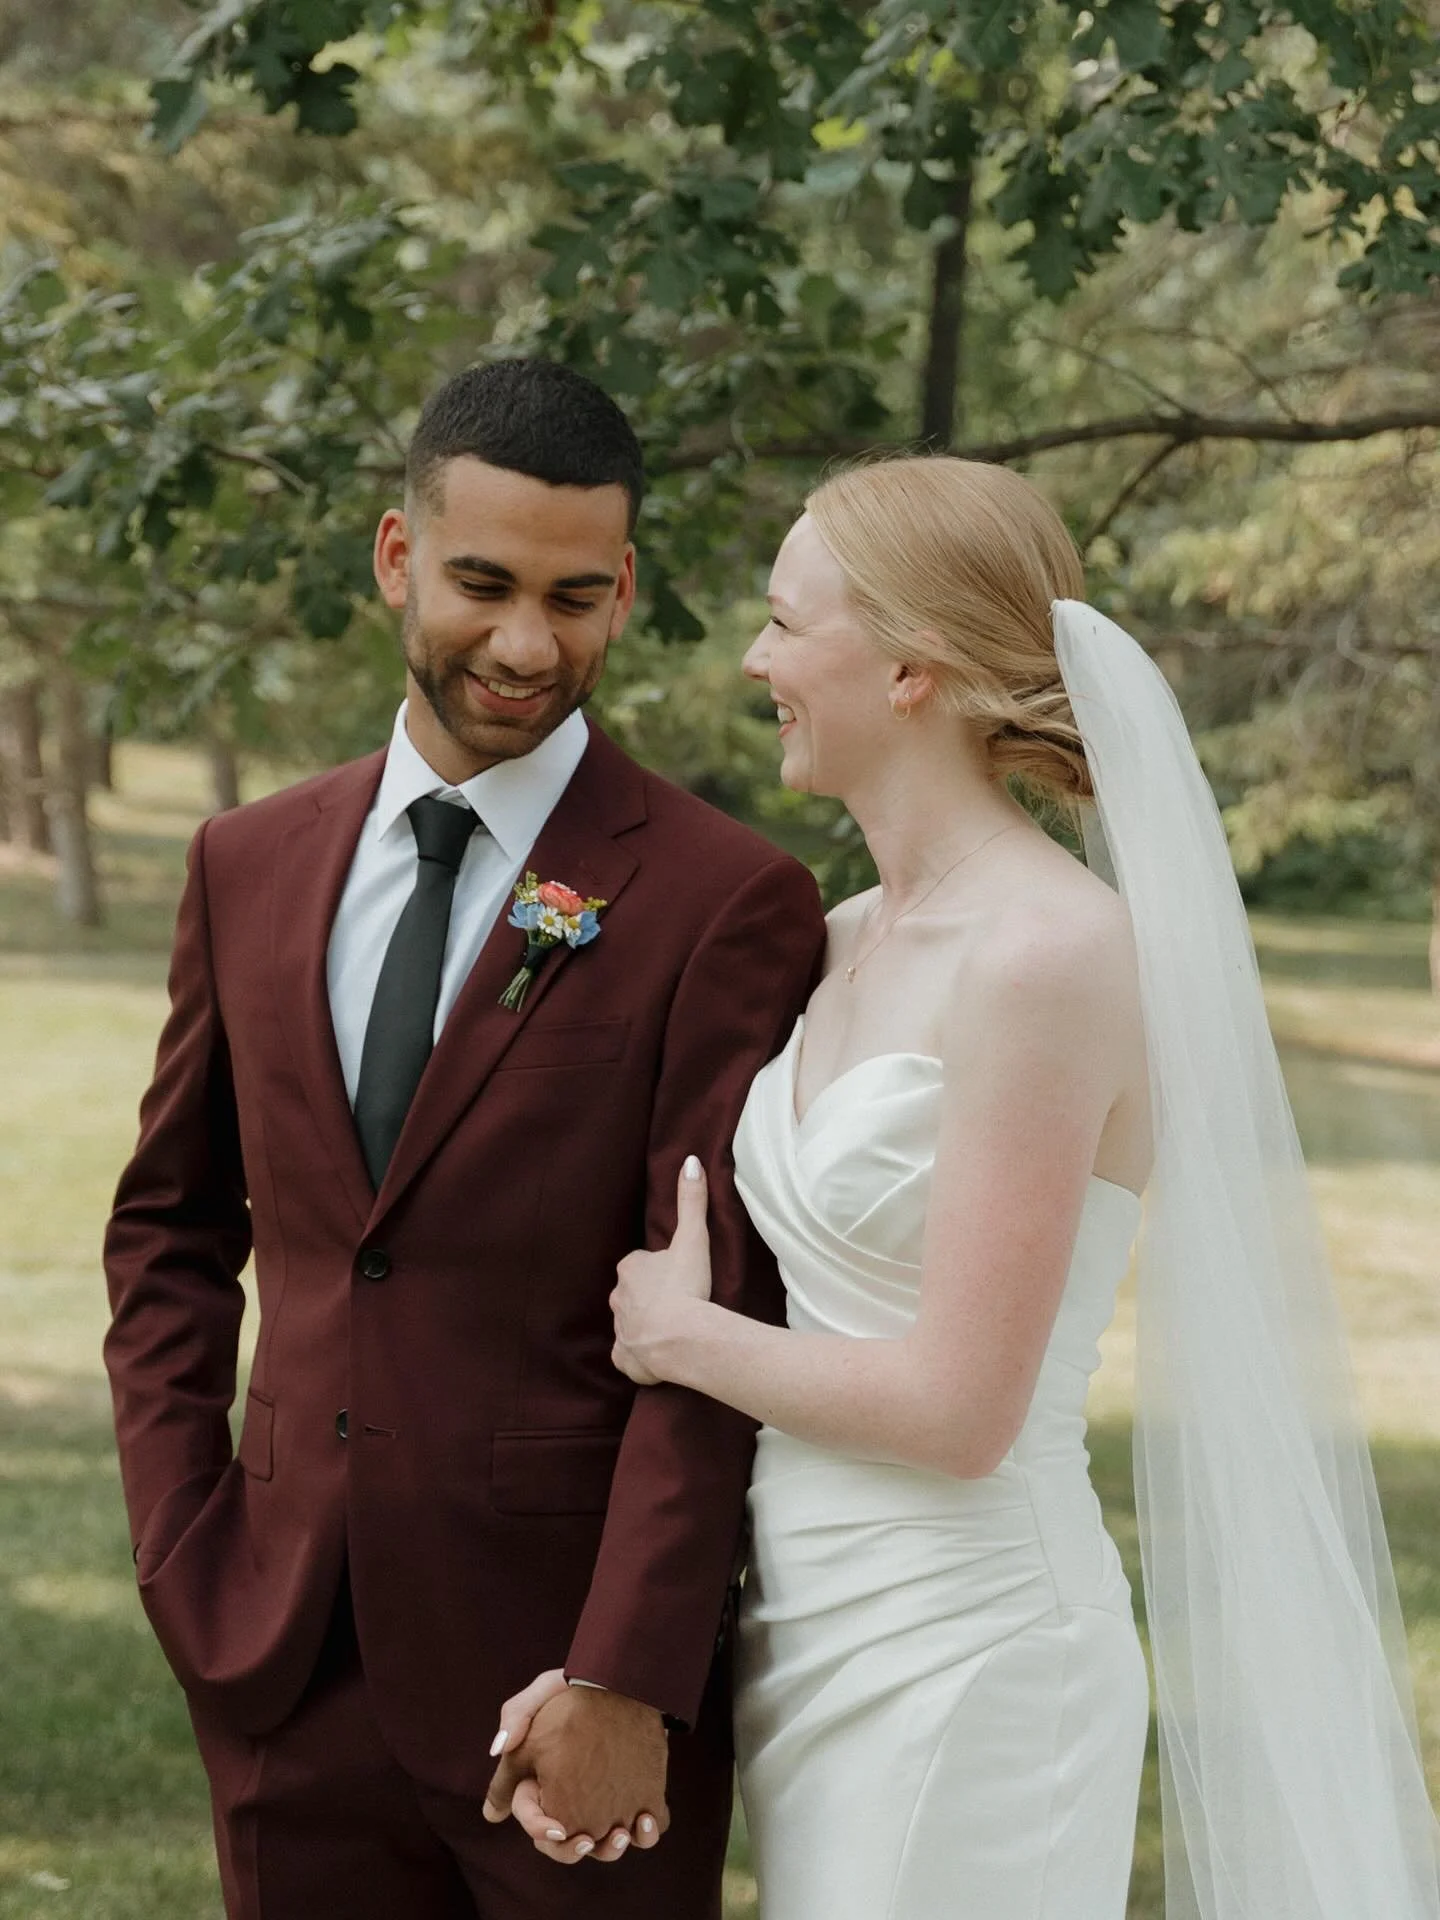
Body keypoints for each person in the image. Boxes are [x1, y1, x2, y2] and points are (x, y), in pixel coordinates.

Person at [590, 456, 1440, 1919]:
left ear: (912, 664)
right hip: (810, 1627)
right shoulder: (845, 933)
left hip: (971, 1649)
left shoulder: (1049, 956)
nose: (757, 660)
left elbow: (961, 1411)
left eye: (788, 625)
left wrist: (679, 1338)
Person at [102, 357, 826, 1920]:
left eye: (575, 597)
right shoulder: (246, 861)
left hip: (561, 1688)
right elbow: (170, 1227)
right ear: (394, 556)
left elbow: (724, 1314)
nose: (522, 644)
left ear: (625, 589)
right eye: (481, 583)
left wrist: (629, 1674)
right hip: (278, 1654)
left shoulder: (719, 900)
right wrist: (182, 1538)